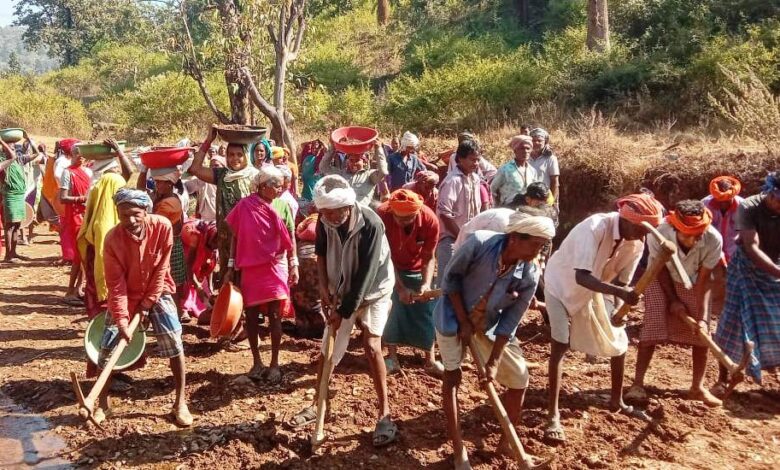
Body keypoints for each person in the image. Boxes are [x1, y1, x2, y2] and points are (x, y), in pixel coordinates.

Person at [436, 213, 555, 469]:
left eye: (542, 245)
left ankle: (507, 445)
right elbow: (451, 279)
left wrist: (493, 362)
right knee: (453, 378)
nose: (539, 251)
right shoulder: (479, 243)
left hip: (489, 324)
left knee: (519, 379)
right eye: (535, 244)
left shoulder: (529, 274)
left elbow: (511, 320)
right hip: (452, 315)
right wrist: (463, 322)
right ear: (514, 238)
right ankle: (459, 452)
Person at [543, 193, 665, 443]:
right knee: (560, 344)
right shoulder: (594, 227)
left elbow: (623, 282)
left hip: (599, 289)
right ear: (627, 220)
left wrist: (621, 311)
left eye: (647, 232)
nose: (643, 236)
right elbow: (582, 278)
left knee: (619, 341)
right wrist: (621, 293)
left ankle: (616, 400)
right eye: (641, 229)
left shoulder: (636, 243)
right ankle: (552, 415)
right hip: (561, 285)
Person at [288, 175, 398, 448]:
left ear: (347, 207)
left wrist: (344, 310)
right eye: (324, 213)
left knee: (371, 346)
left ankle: (384, 414)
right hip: (342, 289)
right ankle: (317, 404)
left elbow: (366, 274)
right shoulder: (325, 223)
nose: (328, 217)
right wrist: (324, 288)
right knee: (328, 349)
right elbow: (322, 254)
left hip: (374, 291)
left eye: (333, 213)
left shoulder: (371, 224)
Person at [97, 188, 192, 427]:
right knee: (106, 348)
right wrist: (121, 321)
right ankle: (102, 405)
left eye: (135, 214)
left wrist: (148, 304)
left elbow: (161, 269)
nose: (130, 220)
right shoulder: (112, 240)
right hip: (126, 295)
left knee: (174, 342)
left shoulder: (162, 227)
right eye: (123, 215)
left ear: (146, 211)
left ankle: (180, 403)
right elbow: (115, 286)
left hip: (158, 291)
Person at [627, 200, 723, 407]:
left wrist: (703, 318)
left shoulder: (714, 239)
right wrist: (673, 301)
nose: (693, 240)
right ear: (675, 228)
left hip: (695, 282)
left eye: (697, 235)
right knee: (652, 326)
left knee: (701, 335)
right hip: (660, 277)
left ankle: (697, 387)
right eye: (687, 235)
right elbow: (659, 268)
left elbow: (706, 280)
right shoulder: (659, 234)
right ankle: (637, 384)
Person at [224, 166, 297, 384]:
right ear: (262, 186)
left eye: (281, 185)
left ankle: (275, 363)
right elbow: (235, 237)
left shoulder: (283, 205)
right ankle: (256, 362)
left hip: (275, 265)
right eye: (275, 185)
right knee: (251, 314)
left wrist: (294, 264)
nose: (279, 188)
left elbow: (290, 235)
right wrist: (230, 265)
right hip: (250, 266)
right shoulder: (245, 206)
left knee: (275, 314)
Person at [714, 172, 780, 388]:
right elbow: (751, 246)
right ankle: (723, 378)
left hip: (775, 267)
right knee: (732, 320)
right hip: (745, 269)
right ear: (770, 193)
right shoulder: (749, 207)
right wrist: (777, 272)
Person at [377, 189, 442, 377]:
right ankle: (392, 358)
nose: (404, 222)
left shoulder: (430, 220)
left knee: (426, 310)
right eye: (400, 219)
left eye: (409, 219)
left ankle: (429, 360)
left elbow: (429, 256)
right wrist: (400, 288)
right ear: (391, 212)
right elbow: (384, 256)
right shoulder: (381, 215)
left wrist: (426, 284)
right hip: (387, 266)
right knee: (392, 312)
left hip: (416, 266)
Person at [188, 126, 259, 282]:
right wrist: (208, 141)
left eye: (240, 155)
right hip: (226, 236)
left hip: (249, 236)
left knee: (249, 278)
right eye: (231, 155)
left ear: (246, 156)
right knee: (229, 278)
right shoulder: (222, 175)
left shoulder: (256, 177)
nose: (235, 159)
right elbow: (195, 168)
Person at [77, 139, 133, 320]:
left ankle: (96, 320)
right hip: (111, 244)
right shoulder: (113, 181)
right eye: (116, 168)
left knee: (94, 282)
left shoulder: (98, 185)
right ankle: (108, 322)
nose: (118, 171)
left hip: (94, 239)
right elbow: (129, 173)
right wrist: (119, 151)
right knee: (113, 283)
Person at [138, 167, 188, 318]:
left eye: (161, 182)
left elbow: (152, 223)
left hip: (169, 247)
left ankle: (174, 317)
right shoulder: (166, 197)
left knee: (169, 285)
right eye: (156, 182)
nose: (157, 185)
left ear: (170, 184)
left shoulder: (169, 203)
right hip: (167, 245)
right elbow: (141, 191)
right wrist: (144, 169)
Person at [436, 140, 483, 282]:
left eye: (477, 160)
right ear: (460, 159)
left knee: (465, 282)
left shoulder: (475, 179)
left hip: (469, 239)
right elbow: (445, 213)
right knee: (445, 283)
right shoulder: (453, 181)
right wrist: (460, 236)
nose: (475, 163)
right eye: (472, 159)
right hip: (451, 239)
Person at [702, 176, 743, 316]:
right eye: (720, 202)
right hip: (712, 250)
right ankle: (712, 314)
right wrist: (718, 254)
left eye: (727, 201)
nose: (723, 205)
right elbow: (703, 232)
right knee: (712, 283)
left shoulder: (743, 207)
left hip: (735, 252)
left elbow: (744, 234)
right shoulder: (705, 205)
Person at [0, 131, 44, 263]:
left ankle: (14, 253)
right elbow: (11, 156)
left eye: (14, 147)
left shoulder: (19, 159)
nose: (13, 150)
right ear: (4, 149)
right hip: (10, 195)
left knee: (17, 225)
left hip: (19, 195)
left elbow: (37, 154)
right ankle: (8, 255)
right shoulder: (4, 161)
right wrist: (1, 141)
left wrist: (30, 140)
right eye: (10, 147)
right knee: (9, 226)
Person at [59, 145, 93, 304]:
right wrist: (81, 199)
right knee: (79, 256)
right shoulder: (68, 172)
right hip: (75, 216)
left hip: (87, 215)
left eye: (83, 155)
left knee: (86, 256)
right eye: (77, 154)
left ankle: (79, 288)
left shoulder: (88, 172)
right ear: (71, 155)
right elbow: (63, 197)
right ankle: (69, 291)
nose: (80, 157)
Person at [319, 141, 388, 208]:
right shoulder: (341, 174)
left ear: (364, 162)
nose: (354, 163)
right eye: (351, 160)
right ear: (347, 161)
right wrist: (333, 147)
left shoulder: (370, 175)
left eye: (357, 160)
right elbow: (323, 168)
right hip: (344, 213)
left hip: (362, 214)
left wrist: (378, 149)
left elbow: (383, 172)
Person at [291, 210, 325, 338]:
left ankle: (308, 328)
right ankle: (313, 328)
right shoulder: (322, 220)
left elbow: (311, 232)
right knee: (309, 296)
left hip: (309, 262)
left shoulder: (314, 219)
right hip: (310, 262)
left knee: (306, 296)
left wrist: (299, 235)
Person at [180, 219, 218, 323]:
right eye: (215, 242)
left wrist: (208, 287)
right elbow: (188, 266)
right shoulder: (195, 236)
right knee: (185, 275)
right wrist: (198, 287)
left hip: (200, 244)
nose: (216, 246)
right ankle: (183, 308)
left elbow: (210, 262)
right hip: (184, 243)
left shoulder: (214, 236)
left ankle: (196, 302)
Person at [491, 135, 537, 208]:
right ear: (515, 150)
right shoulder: (505, 169)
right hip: (507, 209)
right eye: (522, 148)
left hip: (526, 211)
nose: (525, 151)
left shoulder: (532, 171)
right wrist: (497, 207)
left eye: (528, 148)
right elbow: (493, 189)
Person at [184, 152, 223, 223]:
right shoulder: (203, 180)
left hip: (222, 220)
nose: (213, 168)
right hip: (205, 220)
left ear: (224, 167)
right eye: (211, 166)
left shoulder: (228, 183)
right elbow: (187, 187)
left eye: (216, 165)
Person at [528, 128, 560, 203]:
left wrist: (552, 202)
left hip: (544, 199)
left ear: (545, 142)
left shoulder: (550, 159)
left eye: (539, 141)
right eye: (533, 140)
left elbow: (554, 182)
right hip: (528, 199)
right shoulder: (525, 157)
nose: (536, 143)